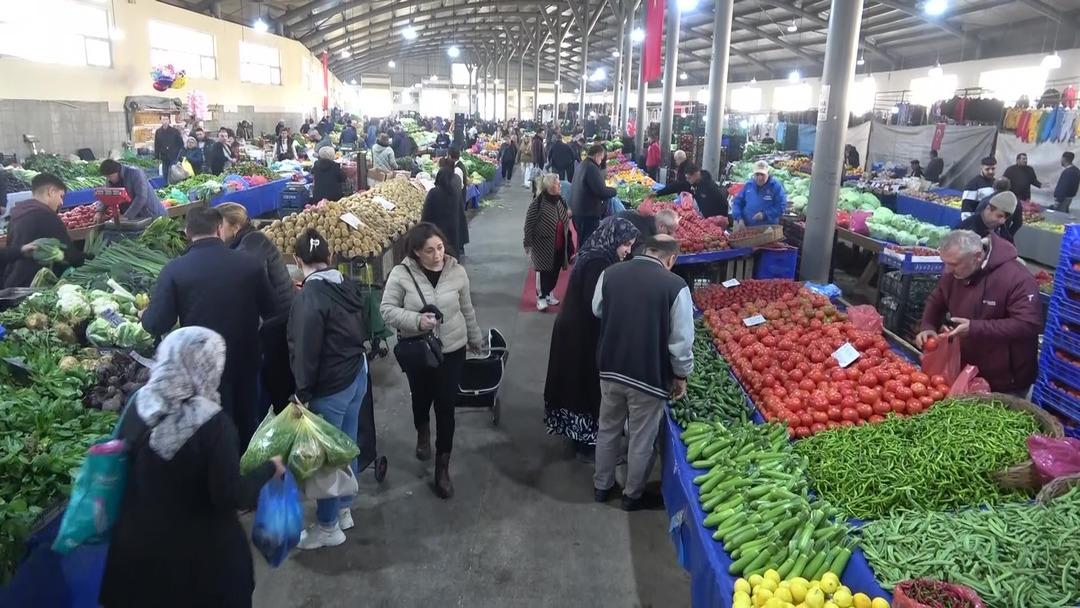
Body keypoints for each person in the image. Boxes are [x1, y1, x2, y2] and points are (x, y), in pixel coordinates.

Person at [98, 327, 286, 608]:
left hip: (138, 560)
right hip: (199, 568)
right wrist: (270, 469)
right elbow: (230, 495)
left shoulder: (140, 404)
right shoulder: (212, 424)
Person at [141, 207, 274, 446]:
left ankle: (223, 477)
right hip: (245, 362)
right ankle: (247, 477)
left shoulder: (174, 270)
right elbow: (271, 309)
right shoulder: (249, 264)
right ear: (220, 229)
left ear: (187, 233)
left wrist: (144, 314)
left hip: (202, 371)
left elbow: (157, 323)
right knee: (247, 428)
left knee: (214, 437)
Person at [380, 223, 483, 498]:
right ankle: (423, 432)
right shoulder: (401, 275)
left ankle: (442, 467)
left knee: (446, 405)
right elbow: (387, 310)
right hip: (419, 349)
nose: (437, 255)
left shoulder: (456, 271)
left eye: (439, 248)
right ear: (416, 252)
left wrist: (476, 338)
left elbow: (467, 308)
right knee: (421, 396)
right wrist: (417, 320)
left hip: (452, 349)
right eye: (429, 251)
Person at [592, 234, 693, 510]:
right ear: (671, 259)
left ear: (645, 249)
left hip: (611, 368)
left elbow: (597, 309)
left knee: (608, 428)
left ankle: (601, 486)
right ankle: (631, 495)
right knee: (641, 437)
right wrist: (681, 375)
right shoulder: (676, 286)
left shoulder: (610, 273)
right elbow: (681, 342)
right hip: (648, 375)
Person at [287, 228, 369, 549]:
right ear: (330, 257)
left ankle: (328, 526)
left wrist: (302, 394)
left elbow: (306, 349)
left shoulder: (309, 296)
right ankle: (345, 508)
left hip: (331, 384)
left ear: (297, 260)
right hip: (356, 374)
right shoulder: (345, 283)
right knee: (346, 444)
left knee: (327, 458)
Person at [544, 217, 640, 462]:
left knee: (577, 385)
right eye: (626, 244)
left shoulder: (597, 252)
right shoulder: (599, 262)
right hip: (580, 334)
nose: (628, 251)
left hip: (576, 329)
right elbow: (594, 302)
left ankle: (582, 438)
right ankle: (586, 445)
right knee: (583, 387)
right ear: (614, 239)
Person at [916, 230, 1041, 396]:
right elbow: (937, 299)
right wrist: (928, 325)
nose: (947, 270)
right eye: (945, 263)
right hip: (966, 368)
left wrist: (974, 328)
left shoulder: (1017, 278)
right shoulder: (956, 273)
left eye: (953, 264)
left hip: (1005, 380)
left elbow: (1028, 324)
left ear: (976, 256)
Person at [218, 203, 296, 413]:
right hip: (274, 318)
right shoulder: (244, 241)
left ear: (235, 226)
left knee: (277, 376)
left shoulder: (253, 241)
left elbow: (248, 281)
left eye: (221, 225)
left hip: (276, 320)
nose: (218, 231)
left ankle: (284, 417)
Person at [0, 173, 84, 288]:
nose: (61, 202)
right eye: (61, 196)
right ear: (51, 191)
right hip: (33, 284)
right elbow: (70, 254)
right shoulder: (46, 216)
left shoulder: (18, 212)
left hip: (12, 280)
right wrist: (89, 258)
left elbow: (12, 247)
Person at [524, 173, 574, 311]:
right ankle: (541, 297)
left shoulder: (561, 200)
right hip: (542, 246)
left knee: (555, 271)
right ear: (550, 186)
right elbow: (529, 224)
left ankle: (549, 293)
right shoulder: (538, 203)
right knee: (544, 271)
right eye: (557, 184)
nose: (560, 186)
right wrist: (527, 242)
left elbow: (566, 217)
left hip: (559, 245)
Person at [570, 144, 619, 247]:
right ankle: (585, 261)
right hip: (587, 214)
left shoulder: (583, 164)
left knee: (582, 241)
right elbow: (601, 191)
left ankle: (581, 259)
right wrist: (614, 191)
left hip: (578, 211)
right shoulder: (592, 168)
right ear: (597, 156)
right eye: (601, 158)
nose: (601, 161)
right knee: (588, 242)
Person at [421, 159, 467, 254]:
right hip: (453, 232)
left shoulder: (434, 193)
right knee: (452, 258)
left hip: (437, 232)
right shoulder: (455, 190)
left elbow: (426, 215)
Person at [97, 159, 167, 221]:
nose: (108, 179)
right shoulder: (111, 179)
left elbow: (141, 197)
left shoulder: (135, 173)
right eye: (106, 177)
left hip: (150, 213)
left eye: (109, 176)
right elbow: (108, 194)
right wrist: (99, 211)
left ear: (117, 172)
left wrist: (127, 216)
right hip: (134, 216)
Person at [655, 164, 729, 219]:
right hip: (705, 218)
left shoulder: (711, 187)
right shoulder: (692, 183)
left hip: (716, 219)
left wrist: (720, 218)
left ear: (696, 174)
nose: (687, 180)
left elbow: (723, 203)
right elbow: (676, 186)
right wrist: (657, 193)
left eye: (689, 178)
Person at [730, 160, 787, 229]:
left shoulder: (776, 186)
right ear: (753, 174)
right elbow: (737, 202)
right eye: (757, 174)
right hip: (747, 228)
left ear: (768, 174)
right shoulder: (749, 185)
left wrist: (764, 215)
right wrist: (739, 218)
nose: (760, 178)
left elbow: (781, 206)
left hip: (767, 230)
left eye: (762, 174)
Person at [957, 191, 1022, 243]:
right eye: (999, 216)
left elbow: (1011, 252)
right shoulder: (965, 230)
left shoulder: (1001, 229)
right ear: (988, 209)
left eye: (1006, 218)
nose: (1003, 221)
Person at [154, 114, 184, 180]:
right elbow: (156, 145)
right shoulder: (158, 132)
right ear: (160, 121)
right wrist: (156, 156)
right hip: (164, 157)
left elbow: (181, 144)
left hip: (174, 157)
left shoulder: (175, 131)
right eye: (163, 119)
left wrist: (180, 156)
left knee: (174, 174)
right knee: (165, 173)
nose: (165, 121)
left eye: (166, 119)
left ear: (169, 120)